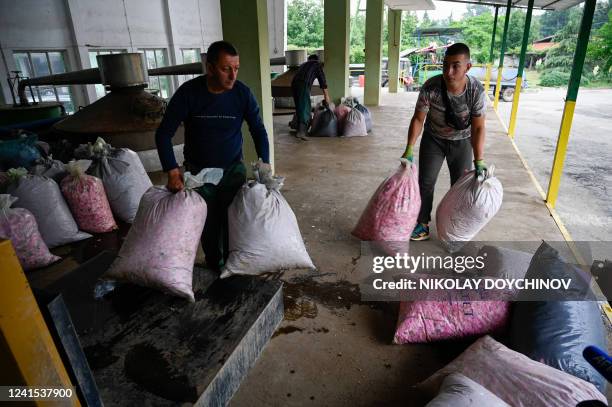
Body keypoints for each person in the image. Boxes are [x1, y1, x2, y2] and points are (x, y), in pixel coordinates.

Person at [155, 40, 270, 271]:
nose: (232, 75)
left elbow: (258, 129)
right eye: (226, 68)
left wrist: (264, 162)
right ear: (210, 68)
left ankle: (232, 265)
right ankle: (214, 265)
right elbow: (163, 134)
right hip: (199, 173)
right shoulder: (189, 93)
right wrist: (173, 171)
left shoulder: (242, 94)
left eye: (236, 68)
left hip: (232, 169)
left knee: (234, 221)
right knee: (208, 224)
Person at [401, 43, 487, 241]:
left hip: (462, 142)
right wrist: (409, 148)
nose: (449, 71)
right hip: (434, 139)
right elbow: (418, 119)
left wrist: (479, 159)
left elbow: (479, 127)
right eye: (445, 65)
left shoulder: (475, 90)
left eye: (456, 65)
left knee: (459, 187)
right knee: (426, 182)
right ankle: (422, 224)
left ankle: (453, 227)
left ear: (468, 67)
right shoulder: (431, 87)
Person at [290, 54, 331, 140]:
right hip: (303, 84)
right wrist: (327, 96)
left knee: (299, 106)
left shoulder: (304, 64)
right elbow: (323, 82)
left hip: (294, 83)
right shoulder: (317, 65)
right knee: (305, 107)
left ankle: (297, 126)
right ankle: (301, 132)